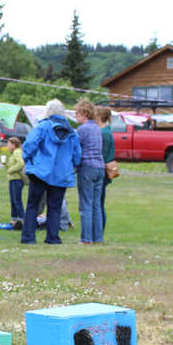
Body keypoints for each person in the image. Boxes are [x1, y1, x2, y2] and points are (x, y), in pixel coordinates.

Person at [20, 99, 81, 245]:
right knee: (55, 207)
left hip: (40, 171)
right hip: (61, 173)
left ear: (47, 111)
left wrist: (28, 160)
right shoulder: (72, 132)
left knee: (33, 205)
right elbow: (77, 154)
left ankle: (28, 237)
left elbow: (29, 145)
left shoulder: (42, 126)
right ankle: (53, 238)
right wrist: (74, 166)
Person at [75, 99, 105, 244]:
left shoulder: (82, 129)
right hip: (100, 167)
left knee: (85, 204)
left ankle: (86, 239)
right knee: (96, 205)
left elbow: (76, 150)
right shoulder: (97, 128)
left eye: (77, 113)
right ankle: (98, 238)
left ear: (84, 113)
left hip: (87, 167)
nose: (75, 116)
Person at [98, 106, 116, 233]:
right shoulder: (107, 131)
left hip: (103, 171)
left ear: (99, 117)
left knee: (99, 204)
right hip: (104, 170)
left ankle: (99, 231)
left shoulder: (104, 133)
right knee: (100, 202)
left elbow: (102, 155)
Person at [5, 136, 27, 229]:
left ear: (14, 144)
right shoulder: (13, 153)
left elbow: (21, 163)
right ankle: (13, 220)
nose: (8, 146)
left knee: (17, 200)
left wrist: (11, 170)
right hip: (12, 179)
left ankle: (22, 220)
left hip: (17, 179)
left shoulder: (17, 152)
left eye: (9, 144)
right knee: (13, 200)